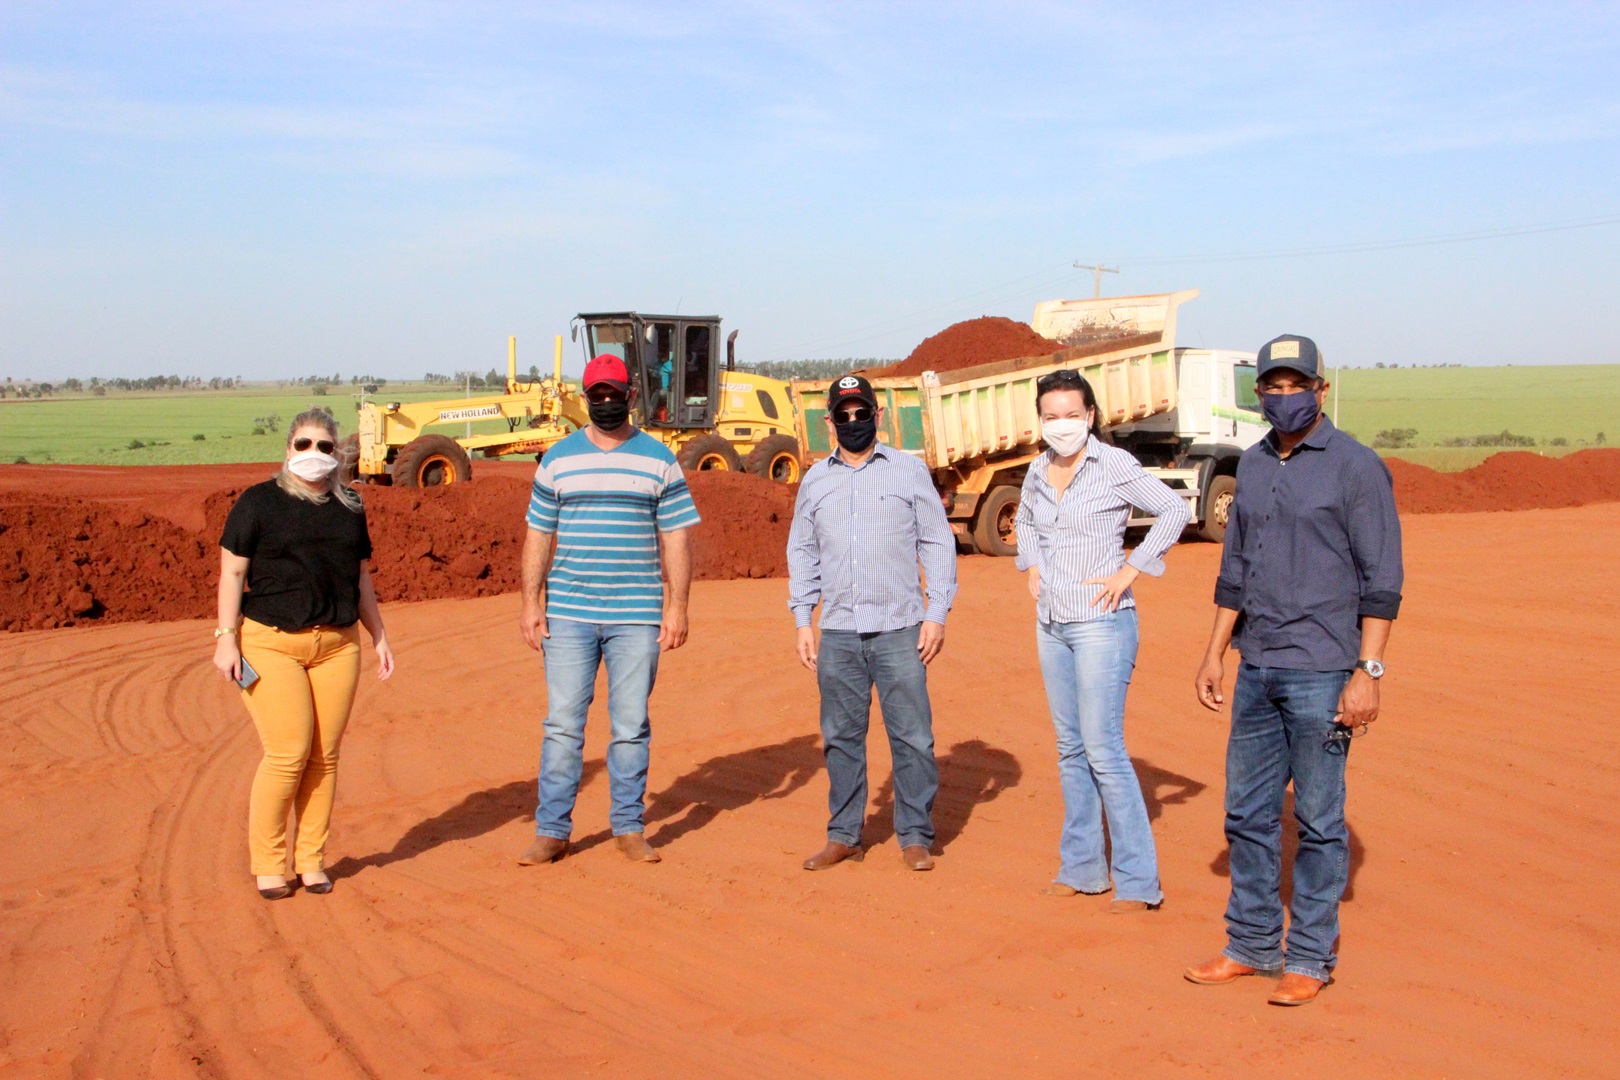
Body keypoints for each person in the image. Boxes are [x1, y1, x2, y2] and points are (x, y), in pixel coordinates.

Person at [1186, 334, 1403, 1005]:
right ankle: (1250, 944)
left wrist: (1368, 672)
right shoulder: (1249, 465)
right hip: (1258, 668)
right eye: (1272, 387)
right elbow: (1236, 571)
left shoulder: (1355, 468)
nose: (1285, 398)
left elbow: (1382, 580)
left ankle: (1309, 955)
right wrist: (1215, 651)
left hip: (1323, 671)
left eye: (1296, 385)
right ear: (1258, 393)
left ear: (1321, 389)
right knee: (1246, 814)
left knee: (1317, 819)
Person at [1014, 369, 1190, 913]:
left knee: (1103, 749)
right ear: (1040, 420)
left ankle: (1138, 882)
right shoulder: (1037, 470)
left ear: (1090, 416)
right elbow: (1023, 521)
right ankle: (1083, 868)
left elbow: (1175, 509)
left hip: (1102, 623)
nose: (1061, 424)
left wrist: (1132, 569)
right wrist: (1033, 564)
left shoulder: (1112, 464)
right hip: (1052, 622)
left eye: (1072, 414)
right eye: (1051, 415)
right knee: (1070, 749)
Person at [517, 353, 700, 865]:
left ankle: (628, 826)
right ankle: (551, 830)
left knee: (630, 724)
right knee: (562, 725)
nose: (603, 403)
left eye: (612, 395)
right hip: (569, 614)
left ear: (630, 397)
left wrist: (677, 606)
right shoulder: (556, 459)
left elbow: (677, 537)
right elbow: (538, 534)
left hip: (636, 616)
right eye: (595, 396)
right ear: (585, 397)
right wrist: (531, 602)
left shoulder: (660, 459)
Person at [213, 408, 395, 901]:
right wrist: (226, 637)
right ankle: (270, 863)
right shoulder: (258, 503)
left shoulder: (350, 506)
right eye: (304, 444)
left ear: (338, 454)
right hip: (270, 642)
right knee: (288, 752)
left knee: (324, 757)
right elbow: (232, 574)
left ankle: (311, 860)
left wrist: (377, 634)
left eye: (324, 446)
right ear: (288, 448)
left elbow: (360, 579)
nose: (314, 454)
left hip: (338, 646)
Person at [787, 374, 958, 872]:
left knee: (913, 737)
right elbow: (801, 550)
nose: (854, 422)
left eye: (863, 413)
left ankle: (915, 835)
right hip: (838, 631)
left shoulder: (908, 471)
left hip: (901, 628)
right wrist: (803, 619)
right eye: (845, 414)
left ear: (878, 416)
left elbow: (936, 542)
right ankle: (844, 835)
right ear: (830, 421)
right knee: (840, 737)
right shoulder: (815, 480)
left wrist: (937, 612)